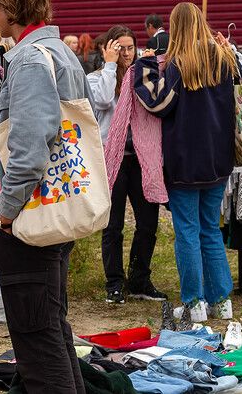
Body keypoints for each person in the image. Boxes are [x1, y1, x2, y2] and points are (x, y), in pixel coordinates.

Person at [0, 0, 89, 393]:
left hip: (33, 217)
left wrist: (4, 215)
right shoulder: (60, 53)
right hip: (57, 208)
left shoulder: (30, 60)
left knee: (38, 342)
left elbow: (28, 150)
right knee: (52, 331)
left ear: (8, 2)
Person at [135, 2, 237, 322]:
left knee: (188, 231)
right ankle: (221, 301)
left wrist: (145, 68)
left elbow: (159, 103)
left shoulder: (178, 66)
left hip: (184, 160)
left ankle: (194, 304)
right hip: (218, 159)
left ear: (176, 28)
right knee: (210, 229)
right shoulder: (224, 59)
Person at [87, 26, 166, 305]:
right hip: (114, 160)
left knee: (148, 223)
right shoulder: (96, 78)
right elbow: (103, 100)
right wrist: (110, 66)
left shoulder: (144, 77)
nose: (126, 54)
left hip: (143, 159)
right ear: (107, 49)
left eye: (130, 48)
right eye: (119, 48)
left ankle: (139, 279)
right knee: (113, 225)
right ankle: (114, 283)